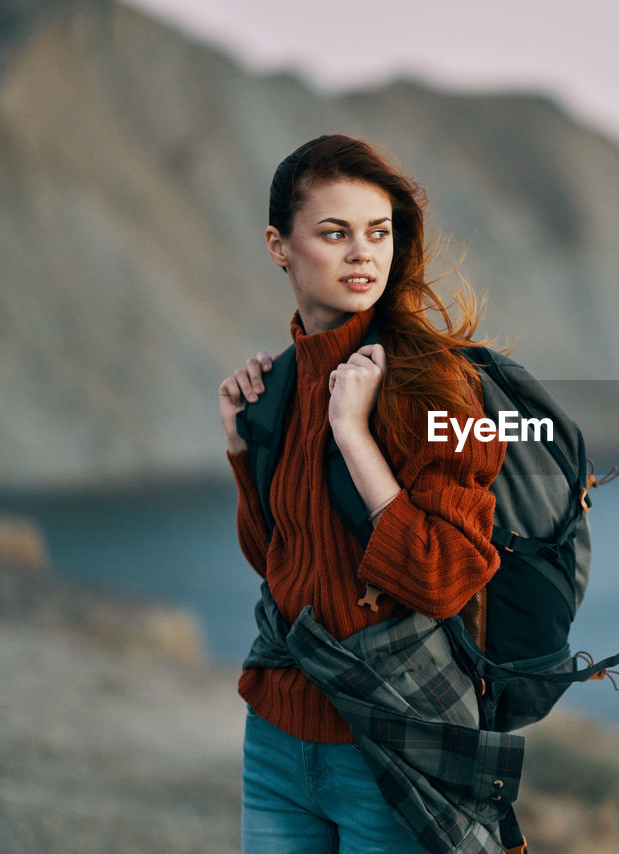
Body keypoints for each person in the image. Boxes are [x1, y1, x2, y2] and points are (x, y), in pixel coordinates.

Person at [217, 135, 508, 853]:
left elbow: (440, 577)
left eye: (378, 233)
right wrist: (237, 445)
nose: (362, 254)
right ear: (279, 246)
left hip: (395, 739)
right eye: (334, 233)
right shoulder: (280, 382)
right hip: (279, 742)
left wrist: (353, 433)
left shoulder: (437, 385)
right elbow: (274, 558)